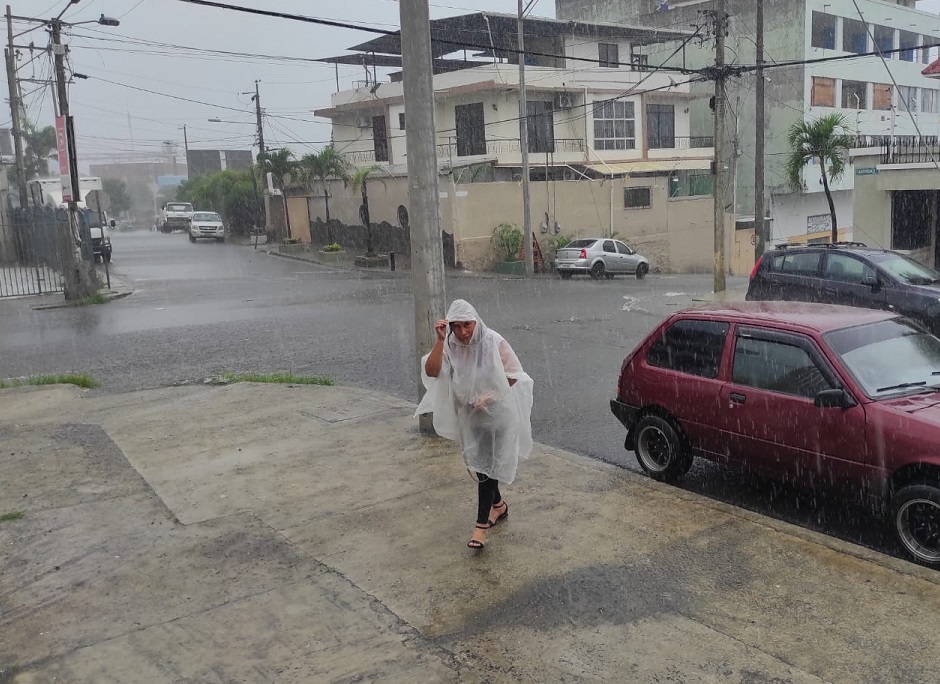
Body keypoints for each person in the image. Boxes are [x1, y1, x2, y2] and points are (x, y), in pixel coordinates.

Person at [416, 299, 534, 550]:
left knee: (488, 468)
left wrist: (489, 395)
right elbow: (432, 370)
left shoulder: (493, 341)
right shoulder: (450, 343)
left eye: (467, 325)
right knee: (482, 468)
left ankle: (480, 528)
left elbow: (515, 375)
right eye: (456, 327)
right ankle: (499, 507)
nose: (463, 332)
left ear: (476, 321)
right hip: (471, 418)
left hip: (499, 415)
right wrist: (439, 340)